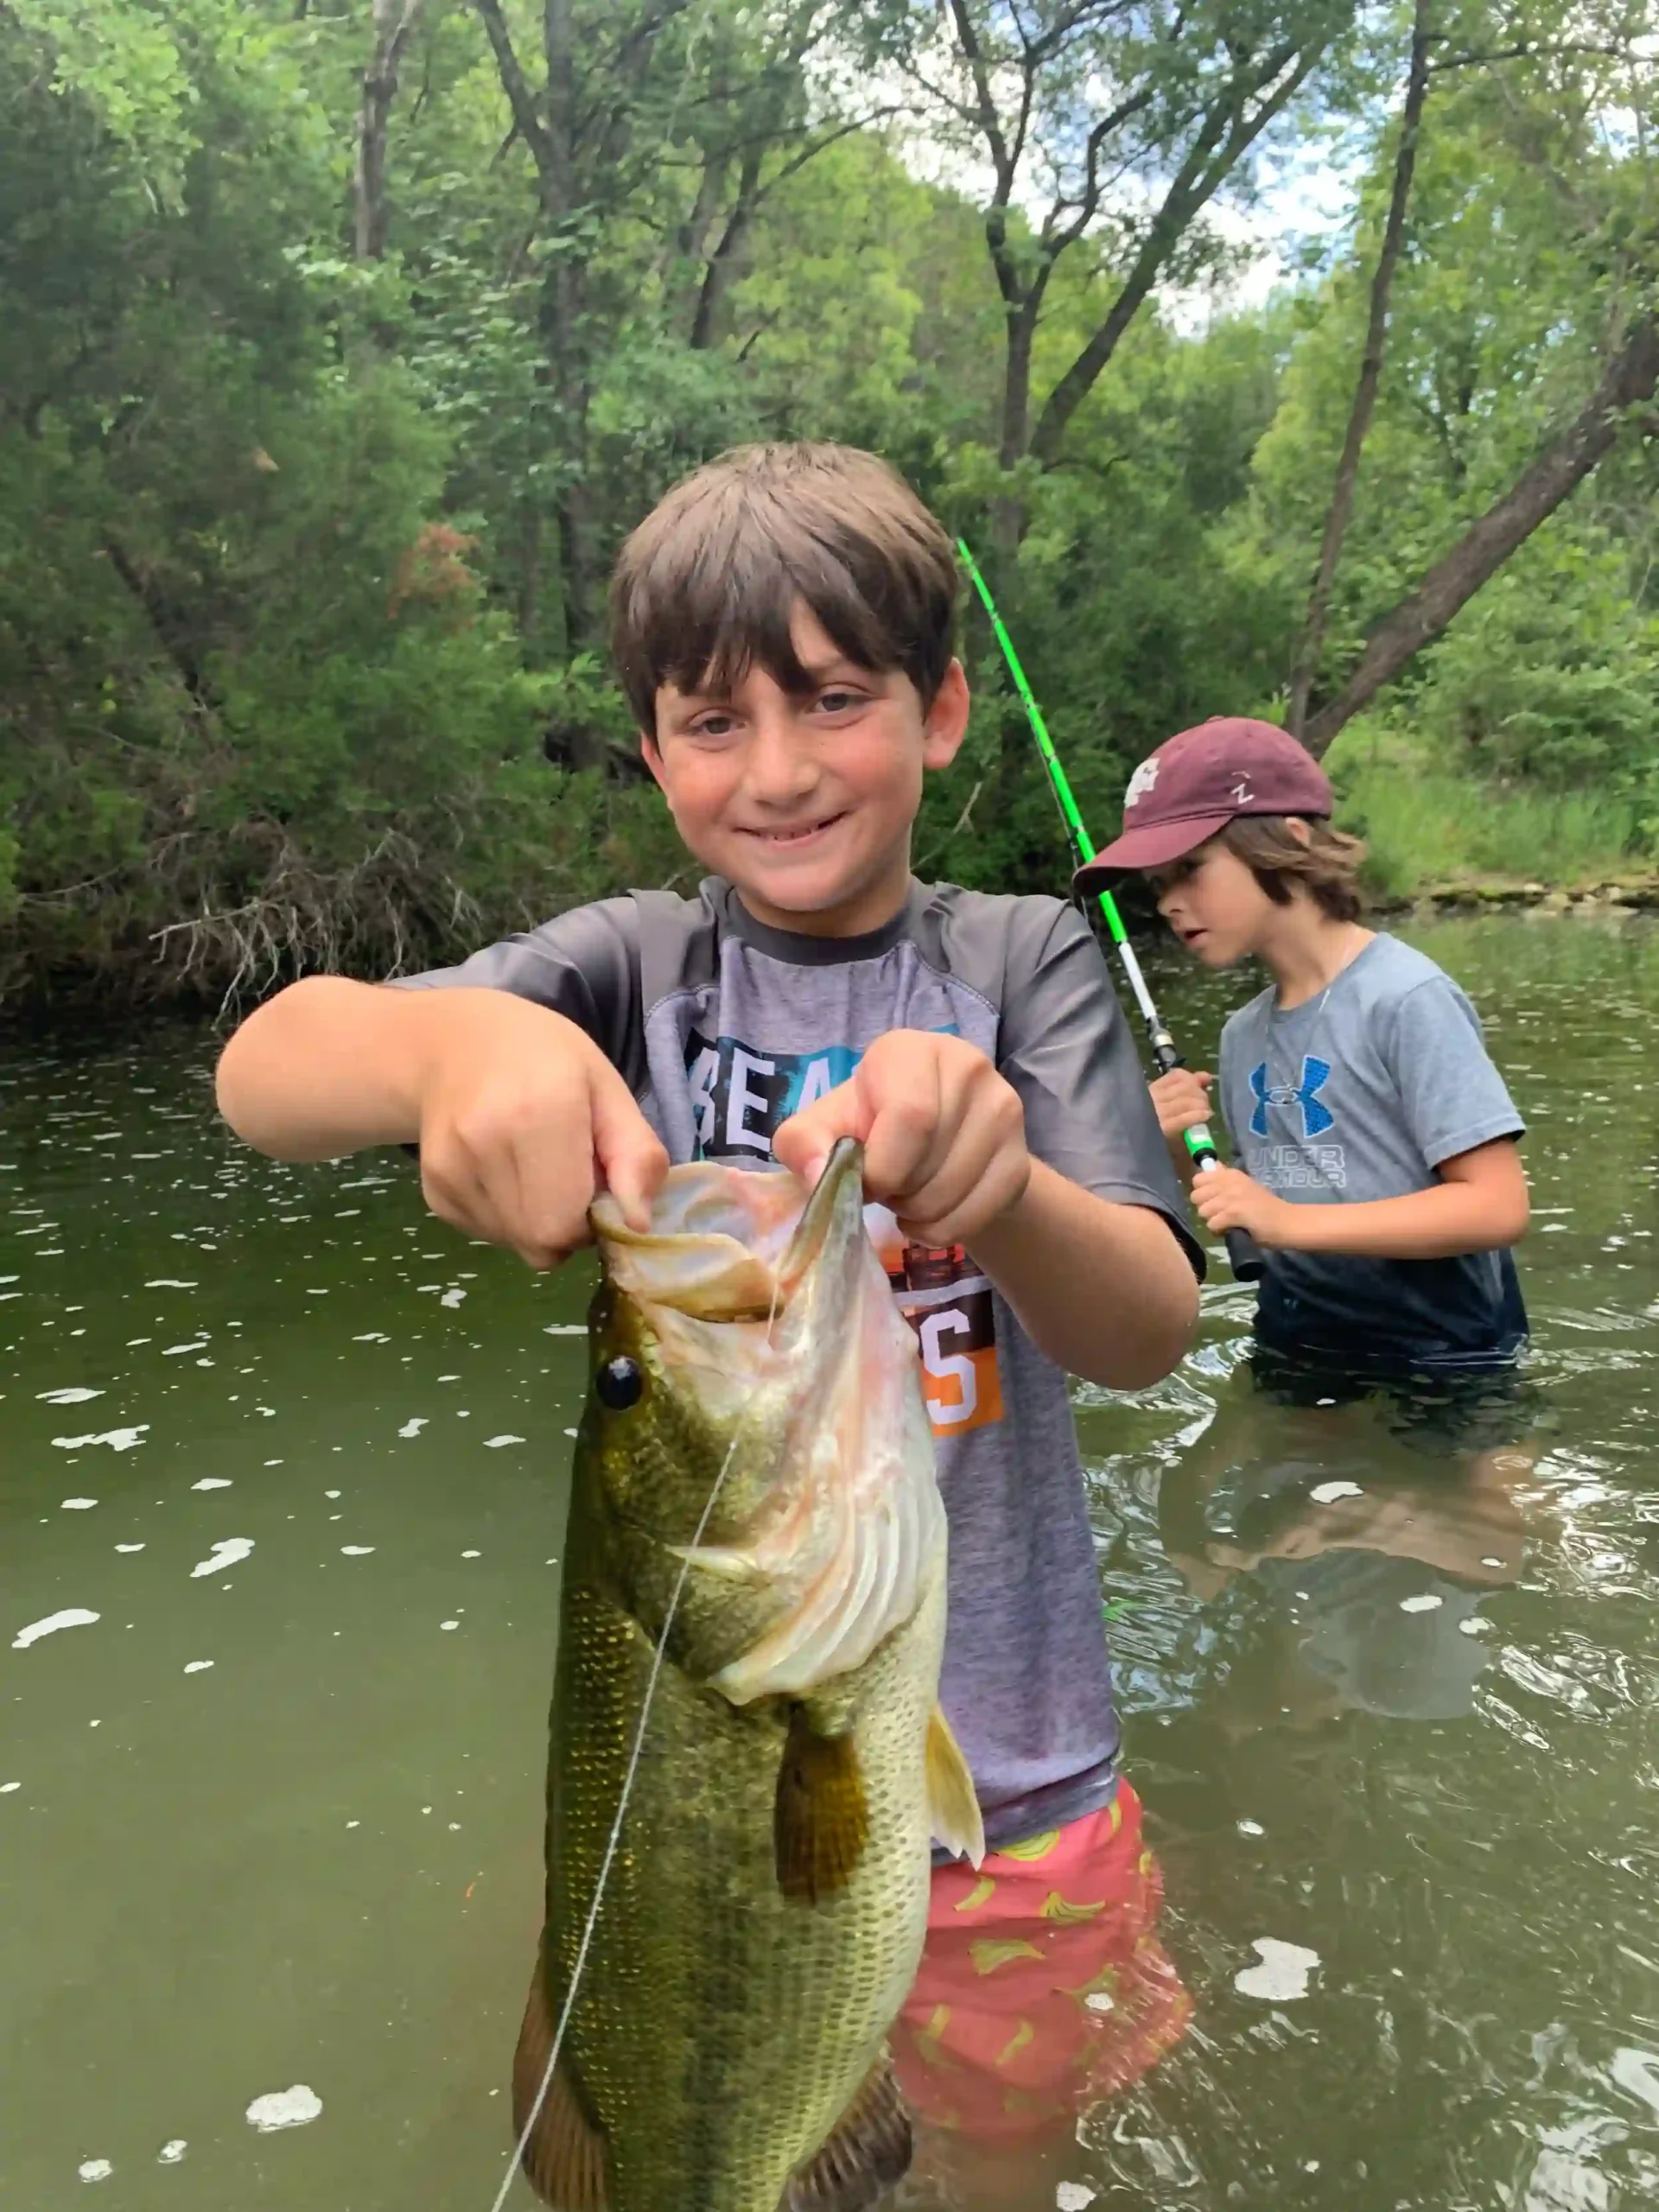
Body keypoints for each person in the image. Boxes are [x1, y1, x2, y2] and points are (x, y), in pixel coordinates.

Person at [215, 441, 1202, 2145]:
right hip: (697, 1807)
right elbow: (264, 1070)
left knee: (1000, 2169)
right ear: (655, 747)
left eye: (832, 697)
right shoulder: (621, 968)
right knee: (712, 2118)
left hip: (1023, 1792)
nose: (780, 767)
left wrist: (1011, 1186)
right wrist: (453, 1041)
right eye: (712, 719)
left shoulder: (1022, 961)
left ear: (942, 707)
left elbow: (1147, 1327)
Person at [1075, 715, 1531, 1390]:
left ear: (1287, 840)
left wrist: (1288, 1221)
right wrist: (1172, 1145)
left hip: (1448, 1354)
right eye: (1158, 886)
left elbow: (1497, 1207)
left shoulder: (1407, 999)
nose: (1170, 904)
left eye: (1190, 871)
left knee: (1459, 1503)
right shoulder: (1242, 1035)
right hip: (1298, 1348)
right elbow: (1260, 1194)